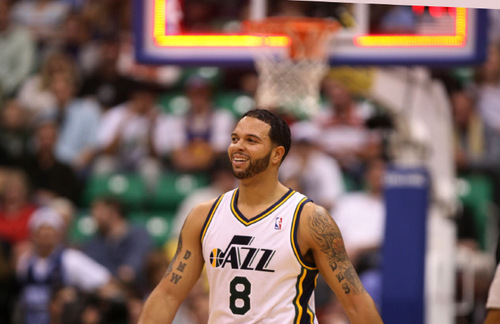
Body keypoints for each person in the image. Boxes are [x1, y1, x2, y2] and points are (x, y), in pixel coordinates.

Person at [138, 108, 383, 323]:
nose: (238, 146)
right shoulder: (203, 215)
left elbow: (356, 302)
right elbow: (168, 295)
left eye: (251, 140)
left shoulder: (309, 219)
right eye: (235, 138)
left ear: (277, 154)